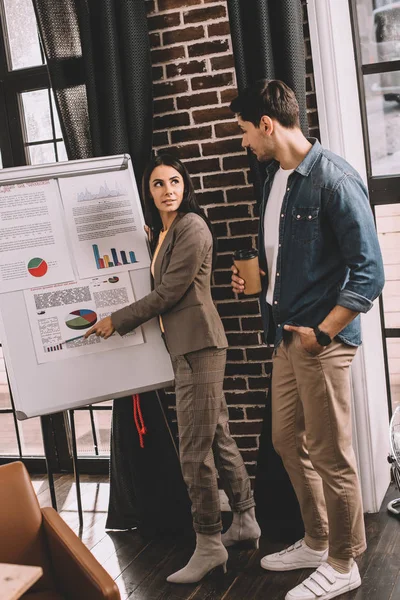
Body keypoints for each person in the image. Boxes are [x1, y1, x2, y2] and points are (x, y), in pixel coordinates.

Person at [230, 79, 384, 600]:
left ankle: (344, 563)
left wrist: (322, 333)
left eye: (246, 131)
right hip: (285, 337)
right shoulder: (277, 177)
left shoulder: (336, 181)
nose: (245, 141)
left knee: (329, 452)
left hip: (321, 341)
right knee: (285, 441)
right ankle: (318, 540)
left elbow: (370, 275)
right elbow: (285, 257)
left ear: (268, 125)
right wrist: (258, 281)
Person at [85, 153, 260, 584]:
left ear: (186, 185)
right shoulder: (166, 232)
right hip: (187, 347)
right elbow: (164, 271)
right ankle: (245, 520)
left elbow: (168, 293)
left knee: (193, 451)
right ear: (149, 190)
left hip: (199, 345)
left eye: (175, 182)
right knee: (216, 435)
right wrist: (150, 244)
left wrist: (117, 320)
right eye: (159, 184)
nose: (168, 190)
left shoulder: (193, 226)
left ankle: (208, 543)